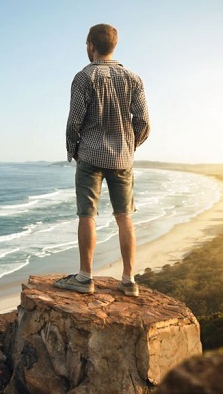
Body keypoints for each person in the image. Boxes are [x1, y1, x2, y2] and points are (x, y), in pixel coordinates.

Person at [54, 23, 150, 297]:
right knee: (125, 217)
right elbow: (142, 121)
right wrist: (130, 145)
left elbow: (74, 121)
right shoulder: (133, 78)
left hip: (90, 156)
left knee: (87, 216)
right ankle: (129, 280)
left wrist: (73, 150)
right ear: (114, 45)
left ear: (91, 46)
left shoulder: (84, 77)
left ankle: (85, 277)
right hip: (122, 158)